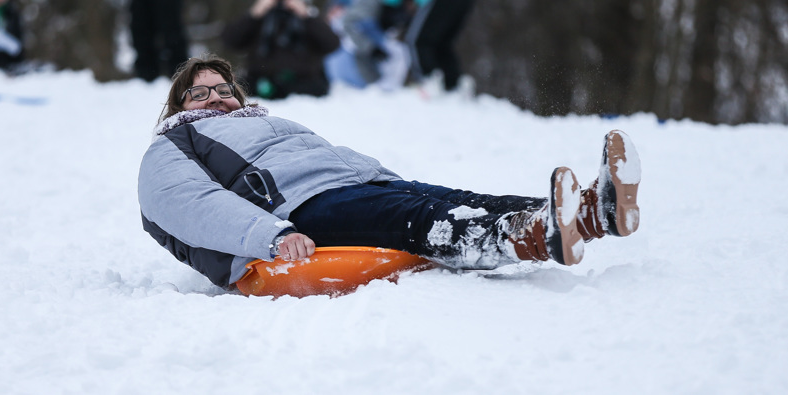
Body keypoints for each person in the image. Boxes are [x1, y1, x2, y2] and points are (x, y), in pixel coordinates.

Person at [138, 55, 642, 291]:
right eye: (198, 92)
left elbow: (330, 154)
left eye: (222, 88)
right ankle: (533, 236)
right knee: (414, 215)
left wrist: (389, 178)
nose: (215, 97)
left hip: (356, 185)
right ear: (179, 104)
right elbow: (189, 206)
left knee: (460, 197)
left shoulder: (268, 120)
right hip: (297, 208)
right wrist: (270, 235)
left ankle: (592, 213)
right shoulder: (172, 144)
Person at [221, 0, 340, 99]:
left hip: (303, 86)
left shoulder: (309, 14)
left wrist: (307, 17)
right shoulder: (258, 14)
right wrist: (253, 15)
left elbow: (332, 44)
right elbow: (230, 42)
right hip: (260, 84)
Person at [324, 0, 410, 92]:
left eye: (337, 9)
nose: (335, 13)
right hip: (355, 74)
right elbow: (348, 26)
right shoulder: (369, 5)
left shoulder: (369, 7)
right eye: (333, 11)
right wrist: (372, 49)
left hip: (358, 75)